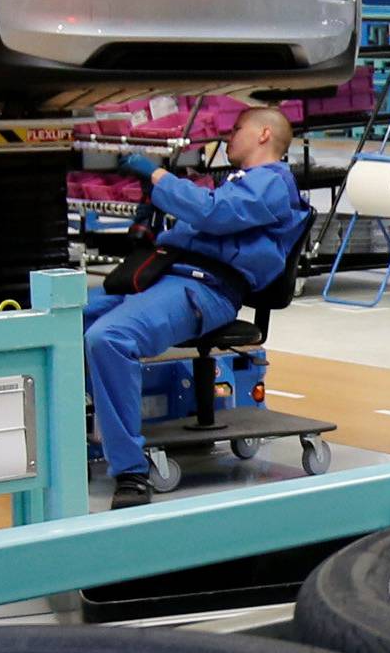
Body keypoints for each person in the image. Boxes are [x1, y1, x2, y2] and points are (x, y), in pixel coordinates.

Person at [85, 107, 310, 509]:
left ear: (263, 134)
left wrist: (158, 178)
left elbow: (213, 213)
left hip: (206, 288)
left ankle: (131, 471)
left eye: (236, 129)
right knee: (62, 322)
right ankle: (76, 438)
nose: (227, 138)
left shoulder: (274, 183)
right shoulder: (235, 183)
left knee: (110, 337)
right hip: (166, 275)